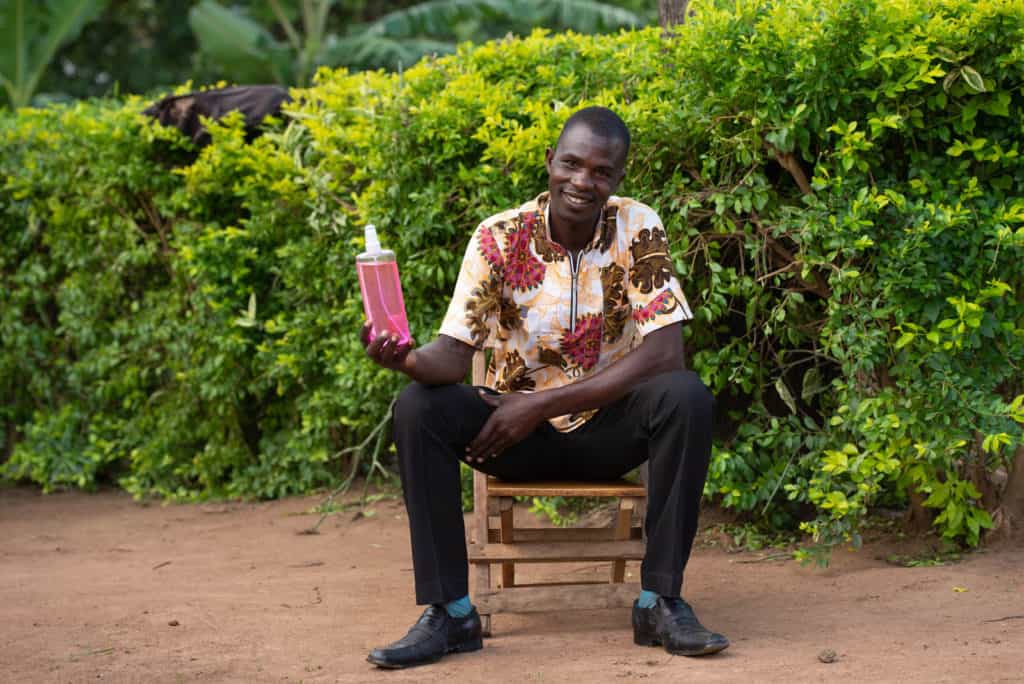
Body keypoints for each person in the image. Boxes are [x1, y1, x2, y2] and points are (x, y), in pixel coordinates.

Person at [361, 106, 728, 669]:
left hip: (608, 431)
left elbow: (664, 352)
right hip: (510, 438)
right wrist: (405, 360)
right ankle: (451, 613)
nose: (583, 180)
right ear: (550, 162)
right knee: (417, 408)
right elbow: (453, 357)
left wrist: (538, 406)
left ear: (617, 181)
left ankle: (660, 602)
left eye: (601, 171)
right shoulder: (499, 236)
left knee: (687, 395)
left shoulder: (638, 225)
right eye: (572, 163)